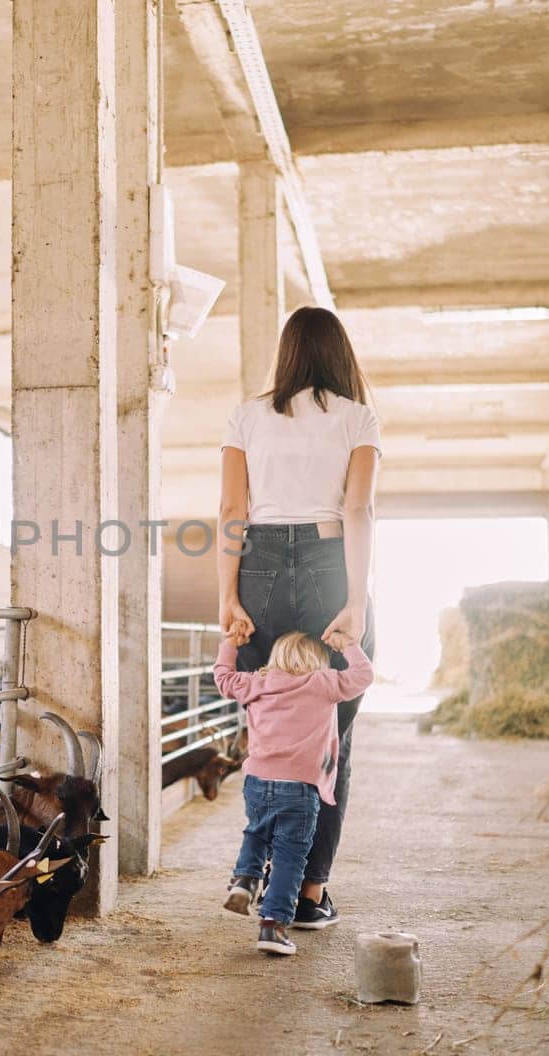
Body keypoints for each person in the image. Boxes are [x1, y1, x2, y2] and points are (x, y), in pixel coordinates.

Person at [215, 305, 380, 930]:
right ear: (340, 354)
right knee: (331, 734)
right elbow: (358, 510)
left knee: (270, 720)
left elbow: (233, 507)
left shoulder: (247, 416)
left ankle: (255, 871)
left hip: (256, 563)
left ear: (285, 352)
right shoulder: (357, 417)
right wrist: (356, 599)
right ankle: (307, 894)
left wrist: (227, 597)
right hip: (328, 559)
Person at [213, 629, 373, 954]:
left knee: (256, 833)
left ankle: (245, 879)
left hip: (257, 780)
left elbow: (223, 677)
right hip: (300, 787)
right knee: (288, 858)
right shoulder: (323, 683)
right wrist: (349, 645)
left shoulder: (258, 683)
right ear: (318, 661)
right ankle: (273, 927)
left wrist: (230, 643)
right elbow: (364, 675)